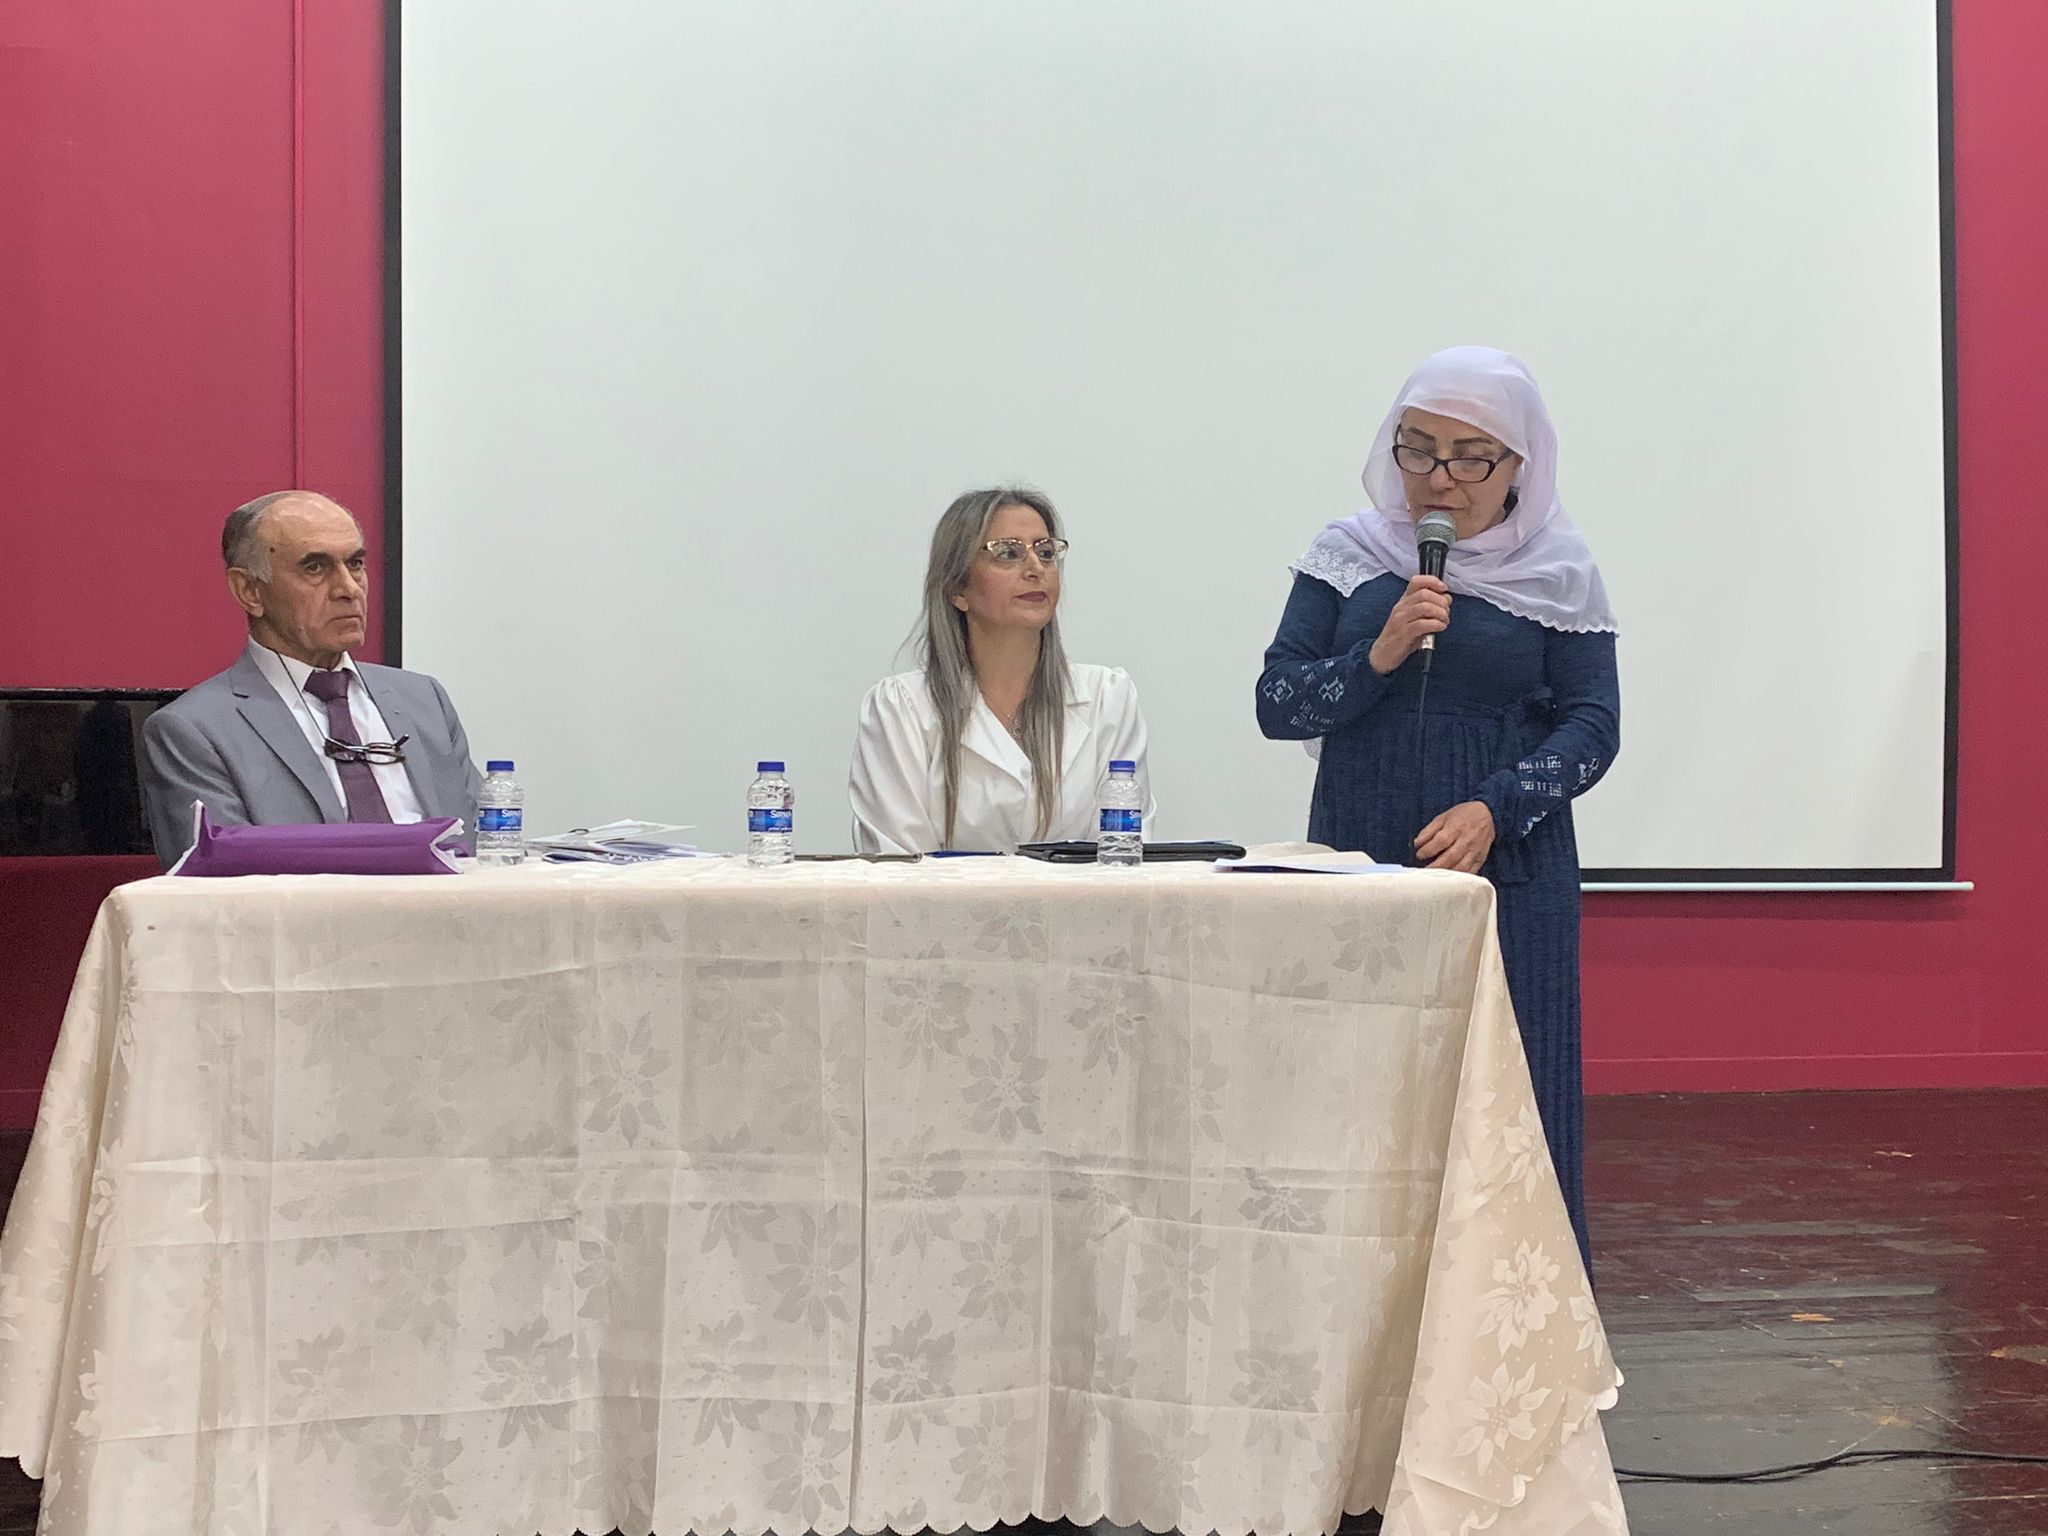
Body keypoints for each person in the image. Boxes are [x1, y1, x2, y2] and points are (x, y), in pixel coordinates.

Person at [1255, 347, 1619, 1262]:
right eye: (1417, 449)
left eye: (1468, 457)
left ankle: (1517, 1315)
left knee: (1510, 1096)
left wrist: (1499, 807)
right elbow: (1277, 704)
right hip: (1360, 859)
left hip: (1506, 872)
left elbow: (1593, 726)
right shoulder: (1348, 556)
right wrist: (1375, 656)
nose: (1439, 478)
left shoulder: (1559, 571)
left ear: (1518, 465)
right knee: (1362, 1095)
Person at [141, 491, 482, 866]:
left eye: (355, 563)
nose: (349, 589)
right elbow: (221, 882)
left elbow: (488, 845)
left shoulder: (424, 700)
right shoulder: (194, 731)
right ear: (249, 591)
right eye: (315, 568)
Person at [850, 486, 1154, 854]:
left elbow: (1121, 856)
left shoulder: (1108, 698)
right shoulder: (902, 709)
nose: (1036, 569)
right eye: (1008, 553)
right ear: (957, 589)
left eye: (1046, 552)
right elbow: (899, 866)